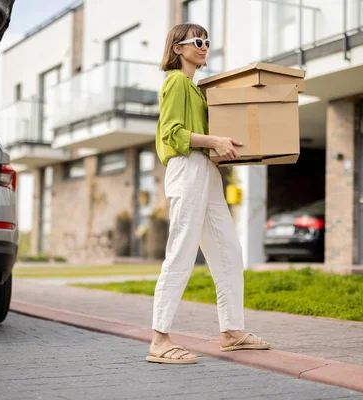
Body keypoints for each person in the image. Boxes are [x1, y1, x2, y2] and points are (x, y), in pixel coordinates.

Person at [146, 23, 270, 365]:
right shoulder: (175, 82)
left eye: (207, 42)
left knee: (229, 250)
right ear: (177, 48)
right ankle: (159, 339)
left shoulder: (196, 88)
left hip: (206, 170)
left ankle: (231, 331)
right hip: (187, 168)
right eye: (197, 41)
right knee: (181, 251)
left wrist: (224, 143)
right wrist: (214, 141)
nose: (204, 46)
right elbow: (171, 133)